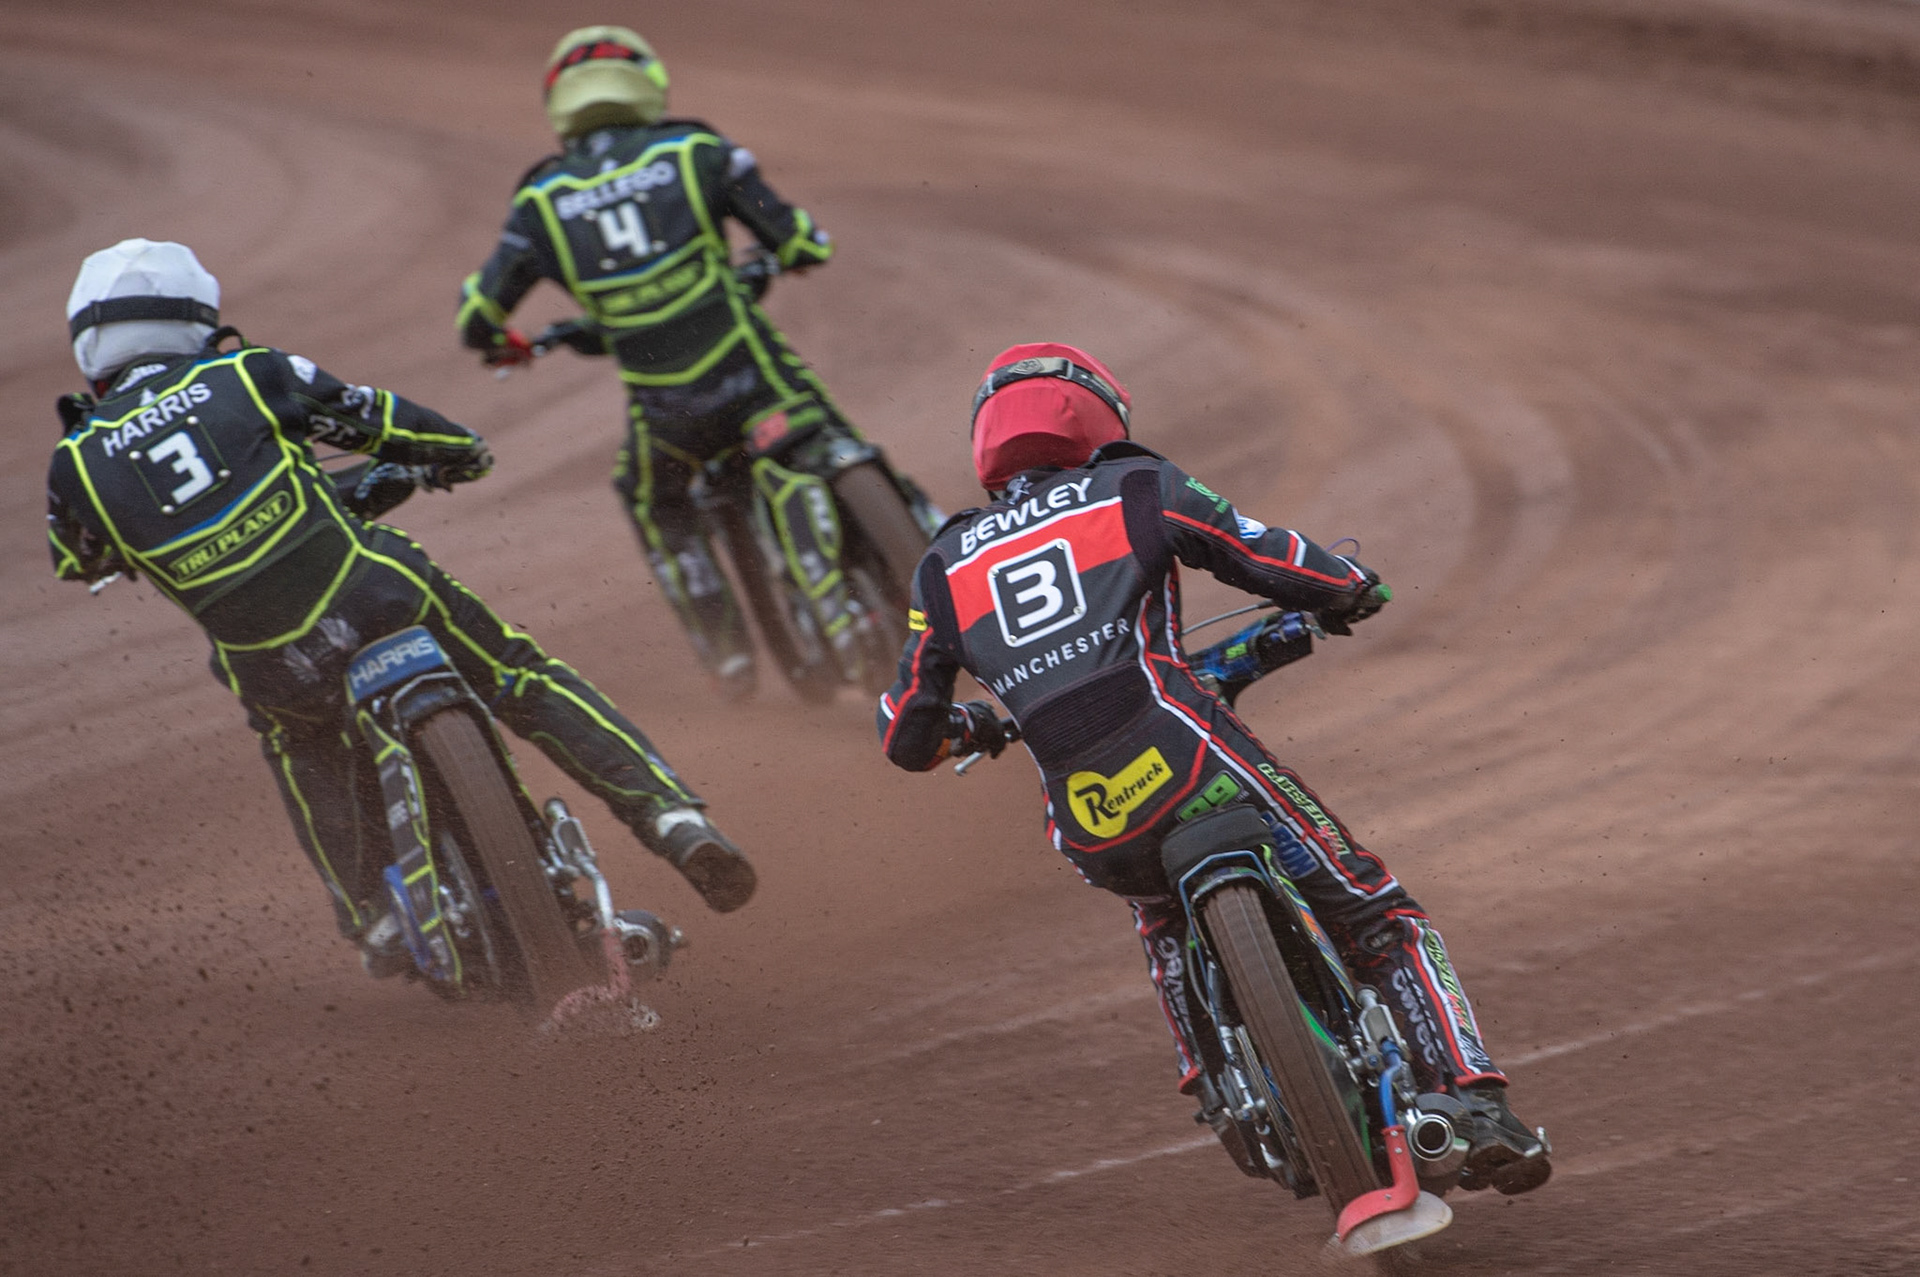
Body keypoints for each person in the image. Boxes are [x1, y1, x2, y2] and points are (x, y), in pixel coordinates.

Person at [876, 343, 1550, 1196]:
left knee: (1158, 914)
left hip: (1089, 818)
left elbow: (904, 732)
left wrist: (970, 726)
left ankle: (1217, 1080)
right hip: (1196, 758)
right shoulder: (1135, 485)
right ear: (1091, 415)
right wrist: (1347, 585)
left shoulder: (942, 565)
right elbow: (1267, 555)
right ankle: (1476, 1101)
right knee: (1380, 917)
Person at [46, 238, 757, 977]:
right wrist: (459, 451)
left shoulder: (73, 463)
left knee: (299, 744)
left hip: (270, 658)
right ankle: (672, 818)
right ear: (194, 318)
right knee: (516, 673)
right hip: (372, 590)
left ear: (91, 348)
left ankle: (373, 918)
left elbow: (81, 558)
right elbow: (379, 419)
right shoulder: (250, 373)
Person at [458, 25, 935, 699]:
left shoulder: (538, 200)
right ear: (646, 83)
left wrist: (505, 343)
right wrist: (795, 253)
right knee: (830, 428)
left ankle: (728, 656)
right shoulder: (696, 150)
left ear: (559, 103)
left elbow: (477, 317)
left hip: (671, 420)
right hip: (757, 383)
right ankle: (935, 543)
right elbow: (798, 240)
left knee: (650, 496)